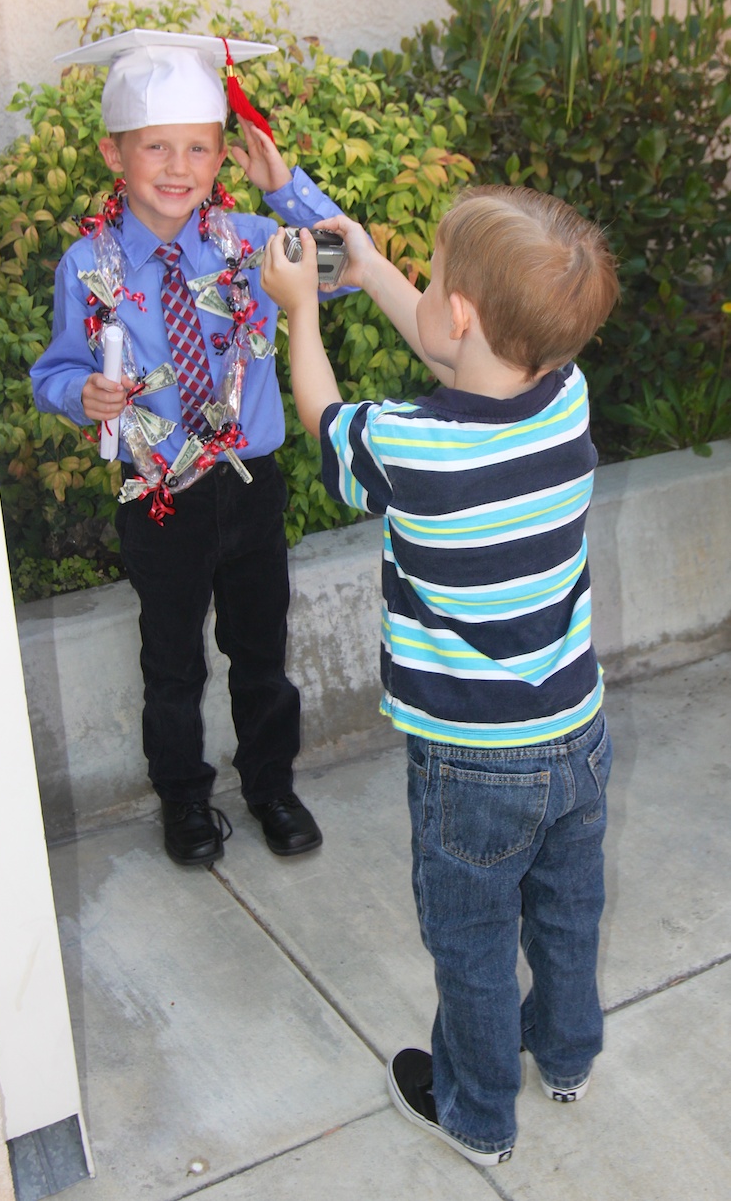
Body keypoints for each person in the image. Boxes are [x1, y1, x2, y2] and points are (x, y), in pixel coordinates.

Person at [260, 186, 619, 1166]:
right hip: (574, 735)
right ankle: (568, 1050)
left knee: (469, 940)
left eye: (431, 275)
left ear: (457, 314)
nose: (423, 288)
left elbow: (325, 417)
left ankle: (475, 1110)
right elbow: (461, 352)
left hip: (472, 761)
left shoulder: (409, 444)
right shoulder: (564, 395)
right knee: (565, 909)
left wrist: (301, 308)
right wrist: (371, 265)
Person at [32, 29, 346, 866]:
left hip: (250, 485)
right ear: (114, 153)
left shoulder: (249, 239)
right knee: (172, 661)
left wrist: (288, 191)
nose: (177, 167)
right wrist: (81, 392)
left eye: (199, 148)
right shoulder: (87, 264)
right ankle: (182, 800)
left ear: (222, 157)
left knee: (261, 651)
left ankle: (271, 786)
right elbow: (55, 370)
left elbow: (347, 264)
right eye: (155, 146)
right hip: (158, 495)